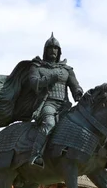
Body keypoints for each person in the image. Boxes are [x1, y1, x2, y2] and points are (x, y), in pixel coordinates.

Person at [28, 33, 84, 166]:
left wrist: (78, 92)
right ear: (45, 50)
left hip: (65, 106)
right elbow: (33, 83)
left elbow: (75, 85)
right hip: (47, 104)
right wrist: (50, 78)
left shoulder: (66, 70)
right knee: (49, 124)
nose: (53, 50)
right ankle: (35, 155)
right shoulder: (37, 67)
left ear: (59, 51)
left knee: (80, 126)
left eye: (55, 48)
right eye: (50, 48)